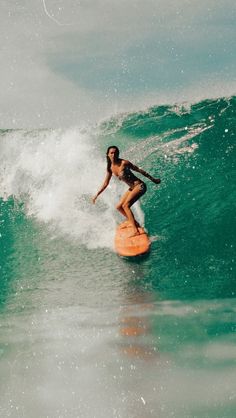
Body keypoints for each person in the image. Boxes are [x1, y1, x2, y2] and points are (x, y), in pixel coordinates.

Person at [92, 146, 161, 236]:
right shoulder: (110, 168)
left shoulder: (124, 163)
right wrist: (97, 195)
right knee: (119, 207)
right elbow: (105, 183)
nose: (114, 155)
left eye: (116, 152)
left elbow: (139, 170)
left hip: (139, 186)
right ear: (108, 154)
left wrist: (153, 179)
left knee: (126, 205)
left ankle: (135, 230)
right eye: (111, 153)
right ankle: (135, 223)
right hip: (132, 188)